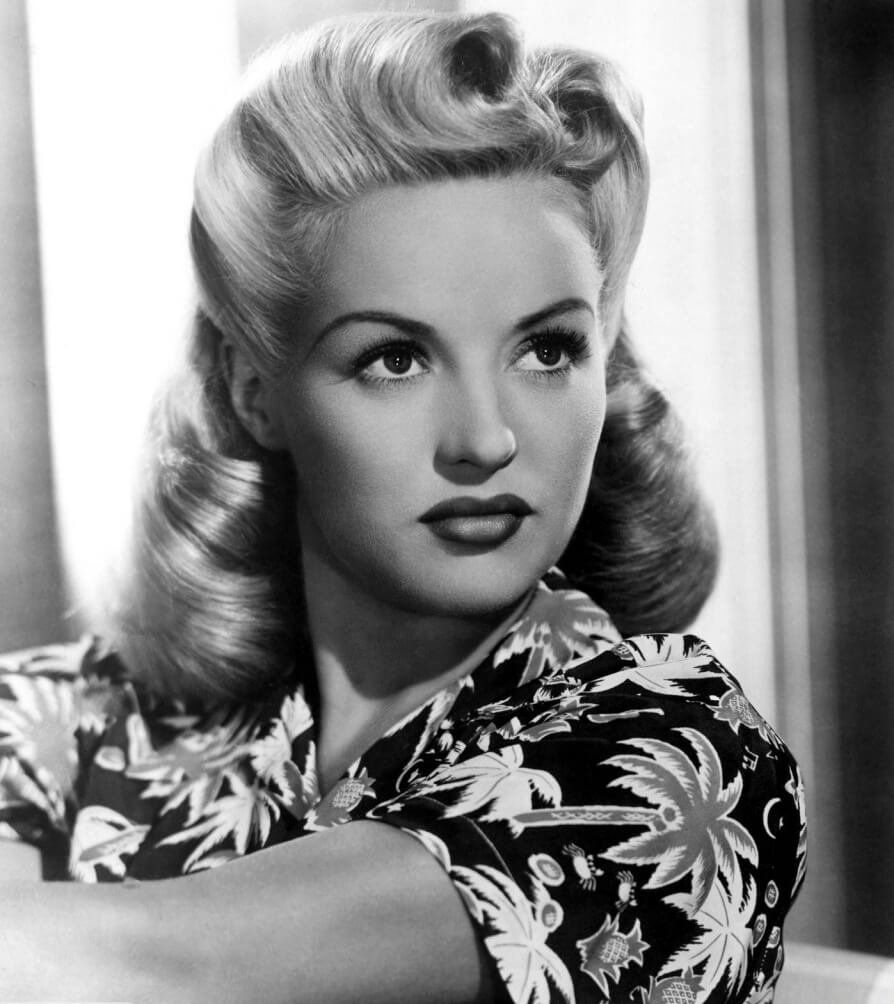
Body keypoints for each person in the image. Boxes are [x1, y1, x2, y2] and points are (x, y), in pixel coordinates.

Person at [0, 11, 805, 1003]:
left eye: (547, 349)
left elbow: (165, 971)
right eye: (395, 358)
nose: (485, 438)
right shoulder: (73, 723)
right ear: (256, 392)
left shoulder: (681, 762)